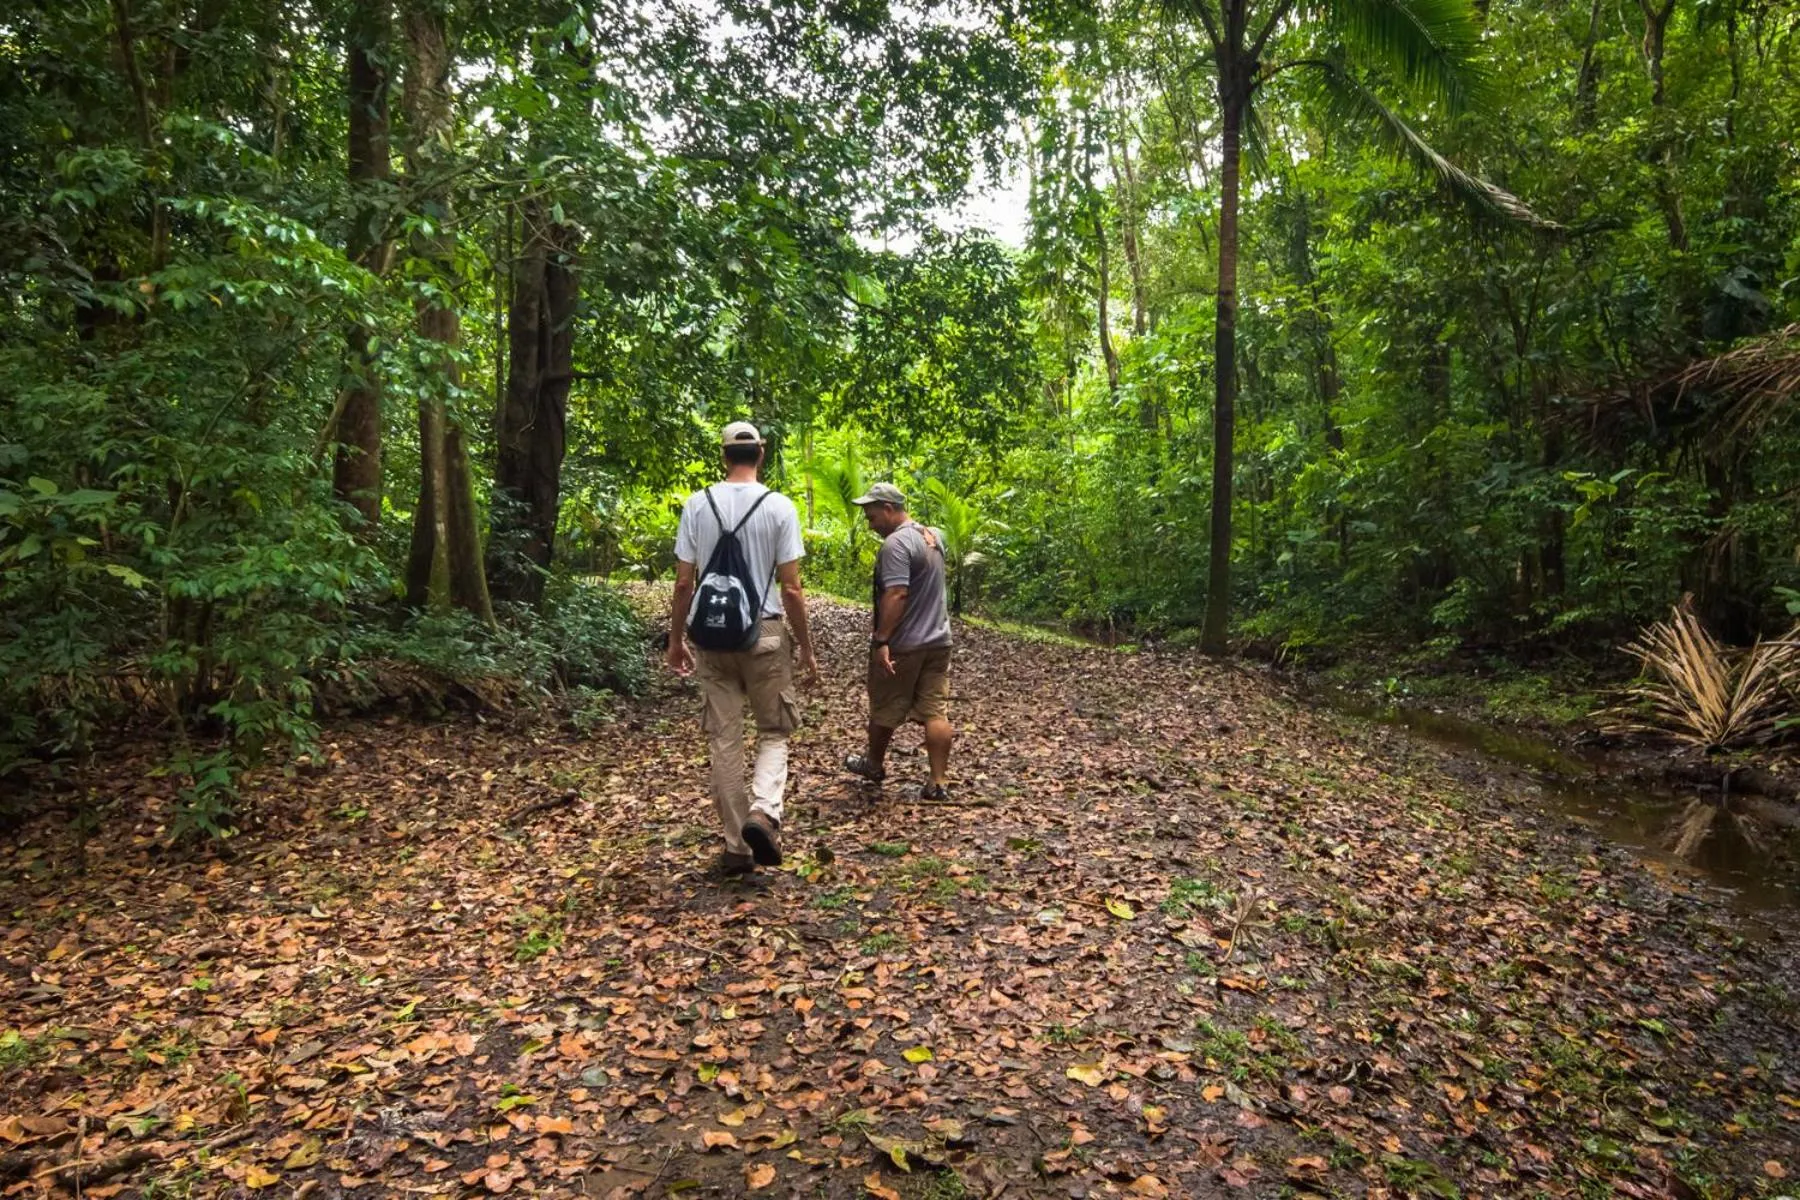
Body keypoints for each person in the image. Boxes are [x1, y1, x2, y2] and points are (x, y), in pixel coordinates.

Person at [667, 422, 819, 874]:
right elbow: (791, 589)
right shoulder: (779, 507)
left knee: (724, 739)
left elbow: (682, 582)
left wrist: (675, 640)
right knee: (774, 729)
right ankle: (764, 810)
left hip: (711, 638)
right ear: (762, 454)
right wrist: (806, 648)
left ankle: (737, 848)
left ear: (724, 455)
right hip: (766, 633)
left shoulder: (698, 504)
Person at [841, 482, 955, 800]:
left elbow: (897, 593)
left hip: (905, 643)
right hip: (938, 640)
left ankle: (873, 764)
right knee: (935, 711)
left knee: (884, 706)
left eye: (872, 516)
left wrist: (881, 641)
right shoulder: (931, 536)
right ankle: (938, 782)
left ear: (889, 509)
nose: (870, 524)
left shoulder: (896, 544)